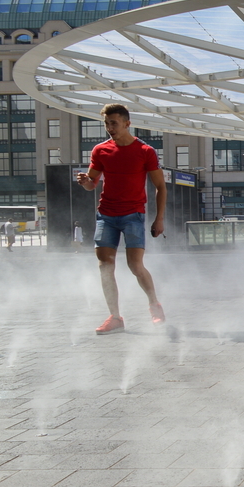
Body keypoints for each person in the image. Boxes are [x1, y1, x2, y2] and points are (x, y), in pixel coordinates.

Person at [76, 103, 166, 335]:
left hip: (133, 215)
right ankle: (115, 317)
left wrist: (159, 220)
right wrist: (86, 182)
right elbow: (92, 184)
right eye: (106, 123)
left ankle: (154, 304)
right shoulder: (100, 150)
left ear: (127, 123)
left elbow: (160, 187)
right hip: (106, 215)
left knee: (135, 266)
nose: (109, 128)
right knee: (105, 266)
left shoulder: (145, 151)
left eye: (113, 123)